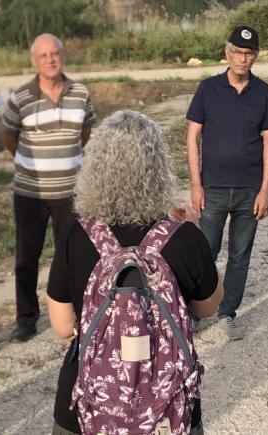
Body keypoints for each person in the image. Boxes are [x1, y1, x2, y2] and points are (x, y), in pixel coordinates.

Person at [46, 110, 221, 435]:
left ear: (95, 169)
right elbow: (208, 306)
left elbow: (61, 325)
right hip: (167, 408)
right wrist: (195, 230)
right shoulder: (183, 236)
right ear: (158, 169)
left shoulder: (77, 235)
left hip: (91, 405)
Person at [0, 33, 97, 343]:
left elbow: (85, 134)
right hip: (30, 192)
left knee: (72, 254)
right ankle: (26, 319)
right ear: (34, 61)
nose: (51, 60)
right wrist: (33, 164)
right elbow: (9, 138)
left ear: (63, 55)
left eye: (55, 54)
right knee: (27, 257)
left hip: (70, 191)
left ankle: (76, 312)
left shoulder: (80, 93)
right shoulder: (20, 98)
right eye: (44, 56)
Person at [185, 25, 268, 340]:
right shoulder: (208, 89)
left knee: (240, 255)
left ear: (255, 56)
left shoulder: (264, 93)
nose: (242, 58)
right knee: (204, 254)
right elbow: (192, 137)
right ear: (227, 53)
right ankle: (195, 313)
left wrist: (265, 190)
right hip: (211, 188)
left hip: (249, 191)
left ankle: (227, 312)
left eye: (249, 53)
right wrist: (196, 185)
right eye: (237, 52)